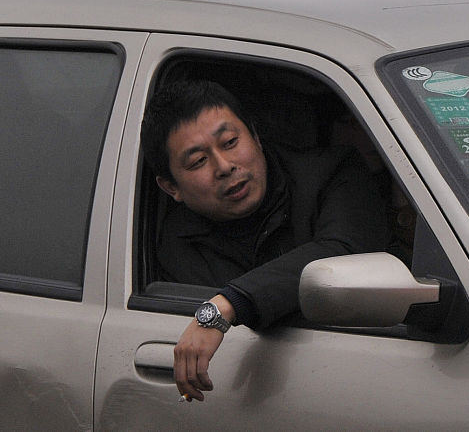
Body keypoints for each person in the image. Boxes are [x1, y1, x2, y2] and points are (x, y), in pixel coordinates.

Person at [140, 79, 389, 402]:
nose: (224, 166)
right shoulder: (174, 246)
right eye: (198, 161)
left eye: (230, 142)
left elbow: (345, 253)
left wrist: (227, 304)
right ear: (171, 187)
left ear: (255, 136)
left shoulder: (333, 173)